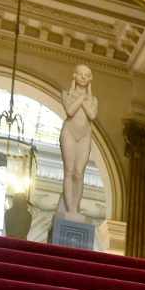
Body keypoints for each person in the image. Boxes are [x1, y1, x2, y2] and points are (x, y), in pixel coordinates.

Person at [58, 64, 98, 220]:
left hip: (84, 134)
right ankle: (70, 210)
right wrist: (81, 97)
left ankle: (75, 208)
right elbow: (70, 111)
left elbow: (92, 115)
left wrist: (84, 98)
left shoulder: (93, 99)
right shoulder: (66, 94)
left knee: (79, 173)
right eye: (80, 74)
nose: (83, 77)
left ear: (90, 79)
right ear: (74, 76)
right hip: (69, 132)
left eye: (86, 75)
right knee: (69, 170)